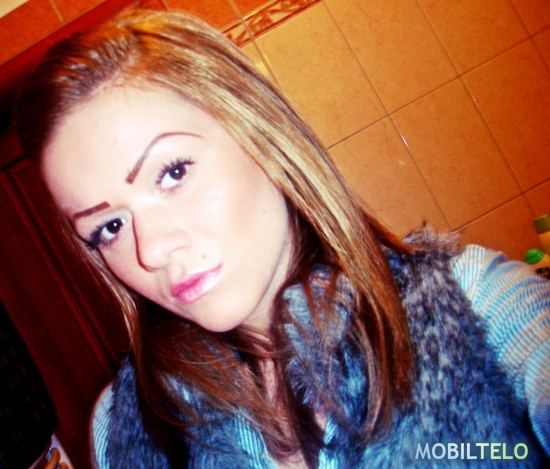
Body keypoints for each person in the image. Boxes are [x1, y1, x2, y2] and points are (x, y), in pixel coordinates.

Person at [14, 9, 550, 469]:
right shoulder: (122, 428)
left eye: (173, 172)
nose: (151, 251)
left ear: (261, 134)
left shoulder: (476, 302)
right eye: (109, 227)